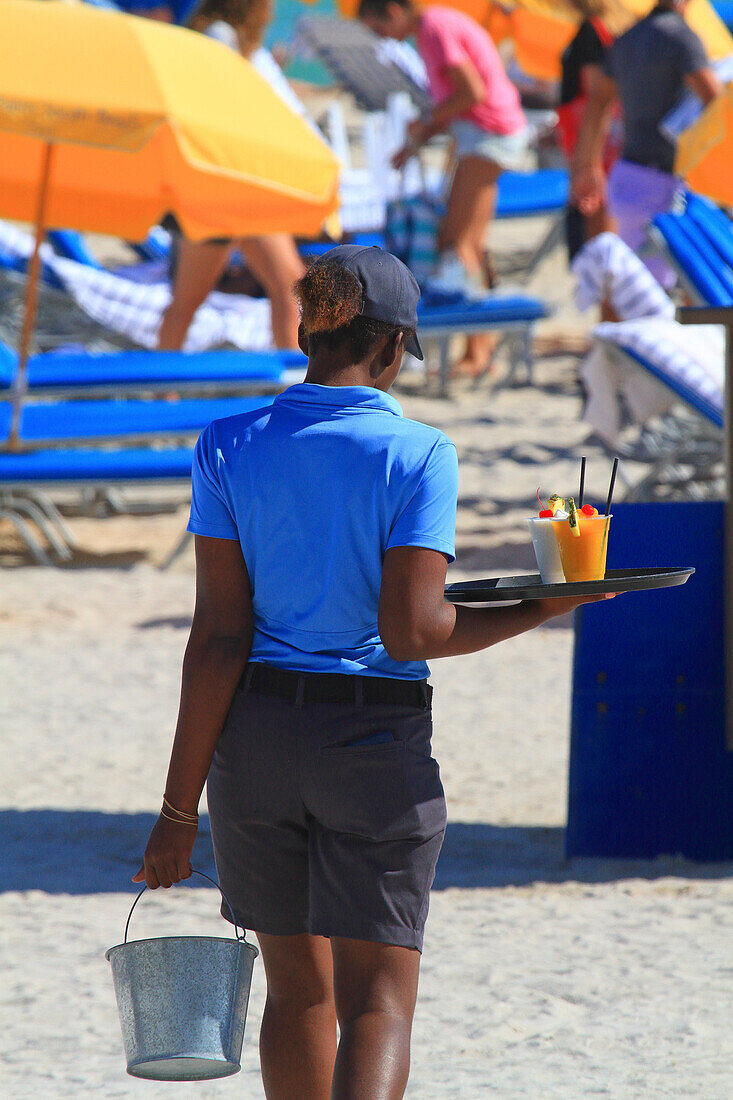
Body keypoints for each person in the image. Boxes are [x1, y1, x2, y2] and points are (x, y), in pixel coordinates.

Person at [134, 244, 615, 1100]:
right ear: (394, 347)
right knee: (377, 1005)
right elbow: (414, 628)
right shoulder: (418, 453)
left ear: (302, 329)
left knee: (295, 991)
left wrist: (177, 811)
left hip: (255, 744)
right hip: (370, 737)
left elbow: (214, 640)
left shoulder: (226, 444)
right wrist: (544, 606)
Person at [358, 0, 529, 376]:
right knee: (468, 243)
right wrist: (422, 134)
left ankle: (478, 353)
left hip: (488, 134)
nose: (380, 37)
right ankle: (479, 348)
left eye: (377, 27)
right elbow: (465, 97)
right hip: (488, 133)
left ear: (393, 11)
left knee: (458, 243)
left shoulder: (434, 28)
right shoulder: (436, 25)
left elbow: (471, 92)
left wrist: (424, 123)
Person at [156, 0, 306, 351]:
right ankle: (163, 393)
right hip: (224, 185)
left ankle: (292, 386)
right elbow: (217, 104)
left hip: (233, 184)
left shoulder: (223, 36)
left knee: (288, 285)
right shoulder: (219, 36)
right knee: (188, 303)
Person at [571, 0, 721, 288]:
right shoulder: (681, 36)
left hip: (629, 173)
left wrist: (587, 165)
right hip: (666, 178)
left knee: (628, 287)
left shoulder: (628, 38)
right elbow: (714, 101)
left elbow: (598, 101)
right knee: (668, 293)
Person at [558, 1, 622, 264]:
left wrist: (589, 163)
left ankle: (611, 305)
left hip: (595, 147)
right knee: (601, 244)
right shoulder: (600, 28)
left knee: (601, 243)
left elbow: (599, 97)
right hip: (592, 144)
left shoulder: (593, 30)